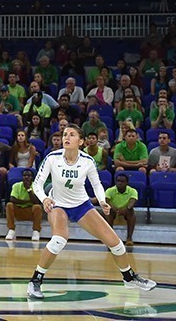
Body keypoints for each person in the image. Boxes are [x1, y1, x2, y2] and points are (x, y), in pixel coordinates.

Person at [27, 125, 156, 299]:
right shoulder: (52, 158)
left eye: (72, 135)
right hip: (58, 205)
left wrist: (102, 201)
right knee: (59, 239)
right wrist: (44, 199)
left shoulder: (87, 160)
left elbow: (96, 185)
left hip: (81, 205)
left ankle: (129, 277)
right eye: (65, 134)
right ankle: (35, 281)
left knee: (116, 243)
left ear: (80, 141)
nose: (67, 137)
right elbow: (37, 184)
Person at [5, 168, 42, 241]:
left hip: (30, 212)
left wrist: (28, 189)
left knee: (37, 207)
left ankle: (36, 231)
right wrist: (28, 201)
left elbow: (37, 201)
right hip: (18, 211)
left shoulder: (36, 186)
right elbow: (12, 199)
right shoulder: (16, 185)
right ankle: (11, 230)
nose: (26, 177)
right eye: (24, 175)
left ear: (32, 178)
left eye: (29, 176)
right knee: (9, 205)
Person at [104, 173, 139, 246]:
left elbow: (133, 201)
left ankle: (129, 238)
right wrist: (115, 209)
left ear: (127, 183)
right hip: (113, 209)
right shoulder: (110, 190)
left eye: (122, 181)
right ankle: (110, 238)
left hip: (126, 210)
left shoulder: (132, 191)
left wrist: (127, 208)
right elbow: (107, 201)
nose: (120, 183)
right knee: (107, 212)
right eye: (118, 181)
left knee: (132, 213)